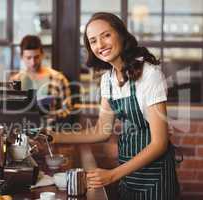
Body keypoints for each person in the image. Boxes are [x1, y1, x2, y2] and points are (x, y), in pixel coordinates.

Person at [51, 12, 180, 200]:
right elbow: (101, 131)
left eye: (106, 35)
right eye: (93, 41)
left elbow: (159, 143)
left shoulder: (149, 75)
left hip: (155, 177)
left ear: (120, 33)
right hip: (127, 174)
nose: (100, 45)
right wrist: (54, 137)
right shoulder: (107, 80)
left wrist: (112, 174)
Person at [11, 35, 72, 120]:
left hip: (51, 130)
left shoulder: (58, 78)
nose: (33, 62)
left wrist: (47, 117)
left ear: (42, 55)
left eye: (36, 57)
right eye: (28, 58)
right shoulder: (15, 80)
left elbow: (67, 109)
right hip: (22, 129)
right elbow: (11, 109)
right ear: (21, 57)